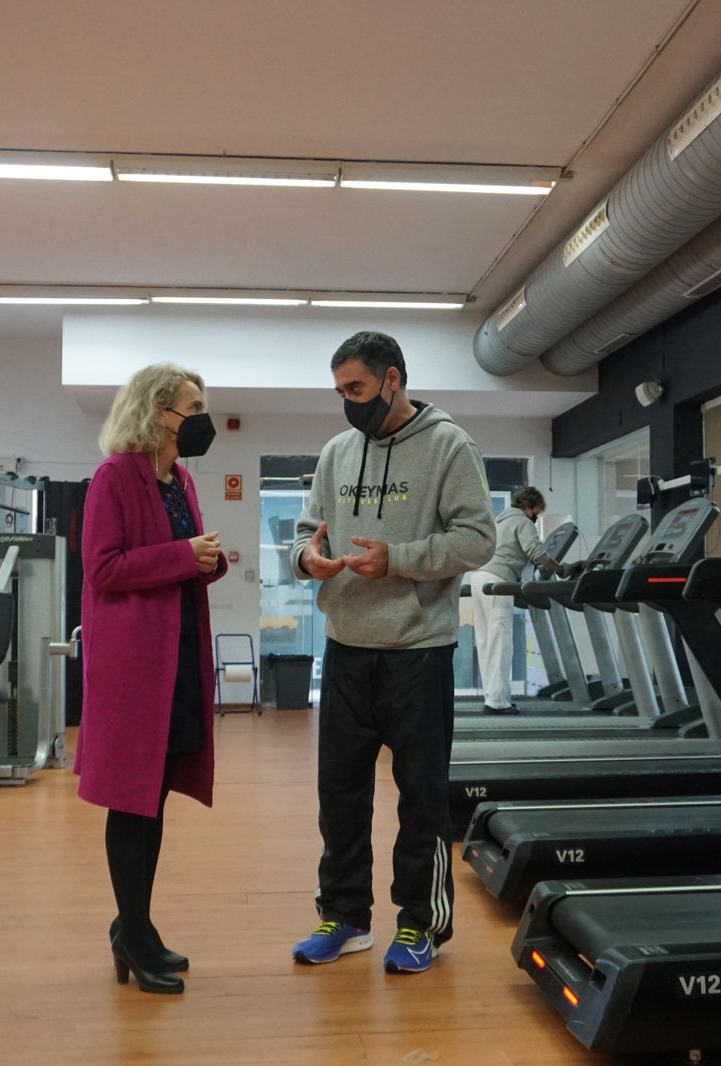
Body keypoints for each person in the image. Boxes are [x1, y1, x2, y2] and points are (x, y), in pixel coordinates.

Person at [288, 330, 494, 974]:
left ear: (392, 379)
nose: (347, 401)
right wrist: (307, 559)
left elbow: (478, 539)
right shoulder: (337, 452)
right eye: (340, 391)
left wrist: (398, 559)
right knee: (339, 796)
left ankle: (420, 924)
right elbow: (307, 532)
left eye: (356, 387)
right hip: (345, 648)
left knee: (421, 798)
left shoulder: (448, 445)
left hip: (418, 651)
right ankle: (345, 916)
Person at [74, 362, 227, 995]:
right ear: (159, 412)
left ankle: (135, 925)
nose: (202, 419)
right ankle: (133, 935)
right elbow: (103, 568)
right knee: (131, 799)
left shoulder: (179, 479)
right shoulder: (114, 477)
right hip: (133, 664)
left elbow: (178, 560)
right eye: (194, 408)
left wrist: (206, 562)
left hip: (178, 655)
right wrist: (182, 556)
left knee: (155, 795)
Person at [470, 487, 562, 715]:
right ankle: (498, 702)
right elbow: (536, 551)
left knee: (486, 641)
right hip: (497, 580)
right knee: (500, 641)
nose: (536, 516)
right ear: (528, 507)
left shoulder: (499, 521)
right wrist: (561, 567)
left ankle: (492, 697)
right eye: (536, 512)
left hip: (478, 578)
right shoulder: (522, 521)